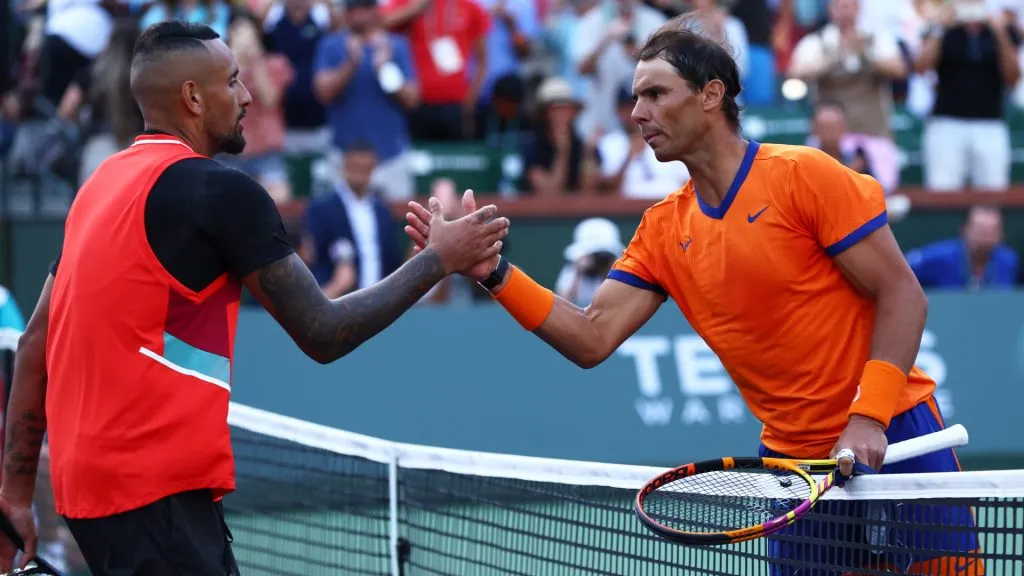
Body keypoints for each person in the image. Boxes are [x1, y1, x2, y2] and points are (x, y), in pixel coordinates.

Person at [404, 17, 978, 576]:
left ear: (711, 95)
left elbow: (904, 295)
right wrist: (492, 271)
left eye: (655, 93)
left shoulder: (805, 176)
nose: (637, 113)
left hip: (895, 437)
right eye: (635, 97)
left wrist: (868, 418)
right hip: (793, 471)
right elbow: (590, 336)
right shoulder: (661, 230)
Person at [0, 20, 508, 575]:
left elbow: (34, 344)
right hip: (155, 490)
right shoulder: (224, 192)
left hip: (89, 493)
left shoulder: (97, 186)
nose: (248, 96)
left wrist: (16, 495)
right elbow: (323, 331)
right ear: (193, 97)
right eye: (234, 80)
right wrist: (440, 260)